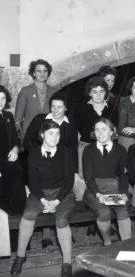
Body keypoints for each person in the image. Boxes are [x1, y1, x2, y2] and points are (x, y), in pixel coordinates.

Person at [10, 120, 76, 277]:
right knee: (27, 216)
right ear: (42, 135)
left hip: (63, 195)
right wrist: (43, 200)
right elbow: (33, 180)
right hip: (40, 195)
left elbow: (69, 182)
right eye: (51, 133)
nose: (55, 137)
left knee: (61, 221)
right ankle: (20, 257)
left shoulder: (66, 153)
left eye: (58, 133)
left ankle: (66, 263)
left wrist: (57, 201)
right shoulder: (33, 153)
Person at [23, 92, 78, 248]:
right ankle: (46, 234)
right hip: (42, 164)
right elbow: (27, 140)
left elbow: (73, 148)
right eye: (53, 106)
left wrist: (74, 170)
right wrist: (41, 155)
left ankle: (65, 231)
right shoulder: (41, 119)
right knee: (44, 194)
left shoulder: (70, 123)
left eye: (59, 107)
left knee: (64, 198)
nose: (55, 110)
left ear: (65, 108)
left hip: (63, 167)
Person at [83, 118, 131, 246]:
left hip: (115, 188)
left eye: (104, 129)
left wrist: (123, 193)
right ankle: (107, 242)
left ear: (112, 132)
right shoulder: (88, 150)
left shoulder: (120, 149)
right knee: (104, 212)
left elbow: (123, 174)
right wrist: (98, 195)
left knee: (122, 210)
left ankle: (127, 246)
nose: (100, 133)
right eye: (97, 129)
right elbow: (88, 177)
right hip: (95, 191)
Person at [76, 77, 117, 179]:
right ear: (89, 93)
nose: (98, 95)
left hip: (106, 148)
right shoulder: (80, 109)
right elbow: (77, 132)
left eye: (101, 92)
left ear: (106, 93)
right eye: (94, 92)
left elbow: (115, 131)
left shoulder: (112, 108)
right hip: (86, 147)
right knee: (85, 179)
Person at [15, 59, 57, 140]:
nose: (42, 74)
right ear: (34, 73)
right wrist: (20, 137)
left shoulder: (54, 91)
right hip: (28, 134)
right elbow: (17, 119)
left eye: (45, 71)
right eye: (39, 71)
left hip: (48, 134)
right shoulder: (25, 91)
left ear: (48, 73)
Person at [0, 86, 26, 214]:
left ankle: (16, 232)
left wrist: (16, 149)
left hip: (11, 161)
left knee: (18, 200)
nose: (0, 101)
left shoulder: (8, 115)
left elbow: (16, 139)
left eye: (3, 98)